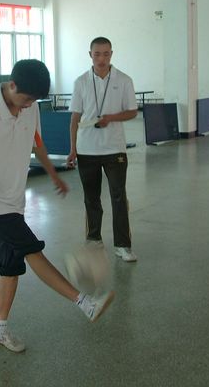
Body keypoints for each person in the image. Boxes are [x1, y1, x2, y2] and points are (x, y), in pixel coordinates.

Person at [0, 59, 114, 354]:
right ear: (12, 86)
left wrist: (54, 175)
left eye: (34, 101)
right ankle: (85, 303)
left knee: (10, 268)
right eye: (26, 99)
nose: (29, 105)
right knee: (31, 249)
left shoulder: (30, 107)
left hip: (13, 198)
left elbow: (37, 144)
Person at [66, 37, 139, 262]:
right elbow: (75, 118)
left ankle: (123, 245)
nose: (101, 59)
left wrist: (111, 118)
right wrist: (72, 148)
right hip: (86, 150)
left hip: (114, 149)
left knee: (118, 196)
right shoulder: (80, 82)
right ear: (90, 55)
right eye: (97, 54)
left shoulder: (124, 80)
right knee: (91, 198)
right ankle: (94, 239)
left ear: (111, 54)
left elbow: (132, 112)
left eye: (106, 54)